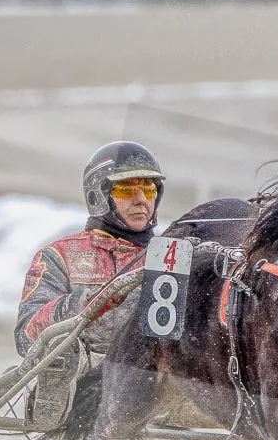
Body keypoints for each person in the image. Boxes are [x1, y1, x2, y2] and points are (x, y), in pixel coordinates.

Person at [15, 140, 165, 357]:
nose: (141, 200)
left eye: (148, 190)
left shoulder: (172, 258)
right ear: (99, 196)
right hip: (78, 374)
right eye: (127, 190)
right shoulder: (60, 256)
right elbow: (26, 337)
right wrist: (83, 304)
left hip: (148, 375)